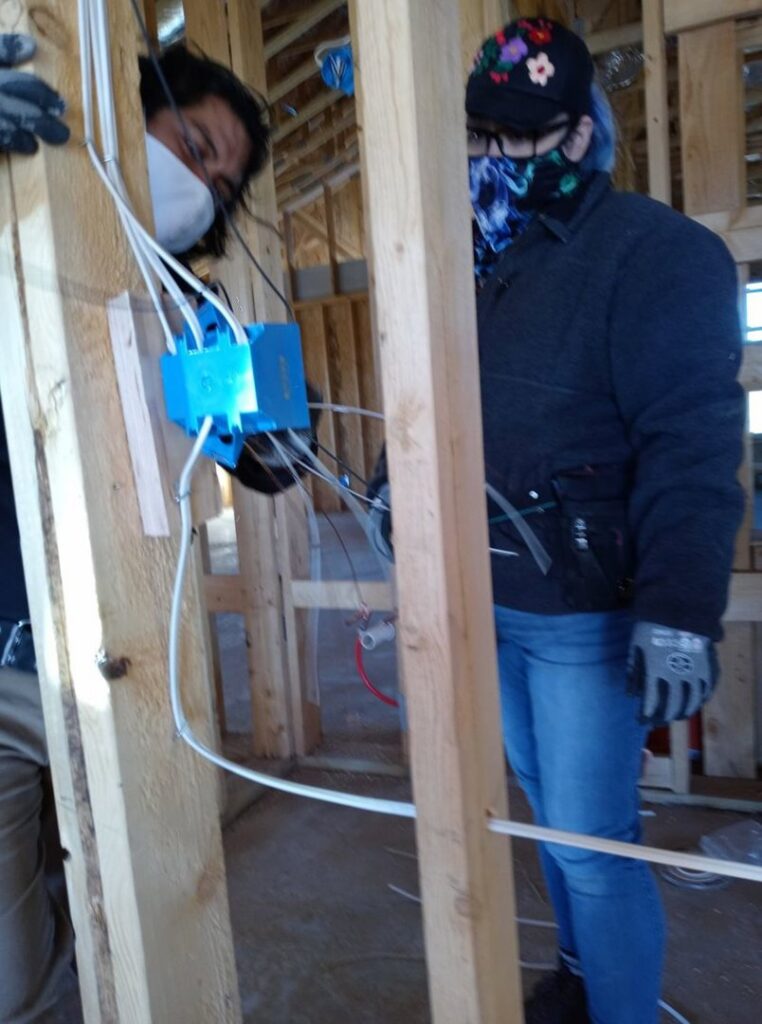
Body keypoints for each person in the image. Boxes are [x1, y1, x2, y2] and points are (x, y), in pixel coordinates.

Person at [370, 17, 745, 1024]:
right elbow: (428, 390)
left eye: (517, 134)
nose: (492, 156)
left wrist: (679, 609)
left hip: (586, 613)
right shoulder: (479, 259)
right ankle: (583, 982)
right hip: (486, 599)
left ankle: (621, 1008)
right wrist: (387, 478)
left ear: (580, 135)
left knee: (591, 839)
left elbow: (694, 443)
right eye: (479, 131)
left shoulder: (658, 258)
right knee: (547, 819)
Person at [0, 39, 278, 1023]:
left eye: (219, 177)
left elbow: (256, 446)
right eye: (195, 143)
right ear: (135, 108)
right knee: (11, 958)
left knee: (141, 915)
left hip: (108, 657)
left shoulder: (180, 304)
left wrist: (274, 434)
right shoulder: (9, 228)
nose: (201, 182)